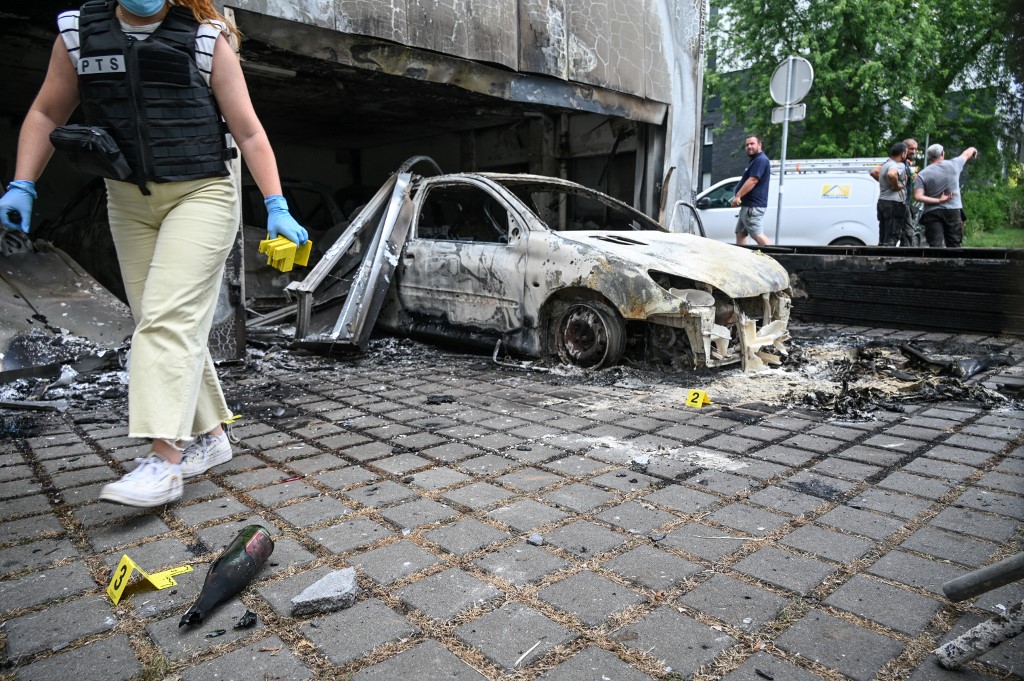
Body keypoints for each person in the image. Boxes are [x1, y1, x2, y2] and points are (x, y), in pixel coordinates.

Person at [0, 0, 309, 507]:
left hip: (203, 192)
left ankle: (164, 461)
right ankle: (211, 437)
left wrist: (275, 204)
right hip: (126, 198)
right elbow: (46, 111)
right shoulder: (78, 34)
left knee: (166, 318)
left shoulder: (207, 39)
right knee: (157, 319)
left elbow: (249, 130)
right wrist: (23, 184)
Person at [914, 143, 977, 247]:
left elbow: (917, 196)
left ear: (929, 157)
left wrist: (938, 201)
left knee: (935, 245)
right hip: (952, 210)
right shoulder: (954, 164)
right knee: (954, 244)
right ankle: (953, 263)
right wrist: (973, 149)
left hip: (931, 212)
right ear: (942, 153)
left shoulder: (922, 174)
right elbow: (967, 153)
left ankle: (935, 263)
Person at [872, 138, 921, 246]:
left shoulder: (906, 164)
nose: (913, 151)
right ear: (904, 151)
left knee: (898, 234)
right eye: (911, 149)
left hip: (901, 202)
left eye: (915, 149)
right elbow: (876, 172)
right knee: (895, 235)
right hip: (896, 203)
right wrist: (893, 185)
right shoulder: (896, 163)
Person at [729, 135, 772, 245]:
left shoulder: (761, 160)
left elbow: (753, 180)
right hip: (748, 206)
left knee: (757, 235)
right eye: (747, 145)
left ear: (759, 145)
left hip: (752, 207)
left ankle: (776, 257)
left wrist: (738, 196)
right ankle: (742, 259)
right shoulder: (755, 160)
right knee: (740, 233)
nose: (749, 146)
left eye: (752, 144)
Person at [875, 141, 909, 246]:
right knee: (892, 238)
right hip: (894, 204)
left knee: (883, 236)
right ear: (903, 154)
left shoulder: (885, 165)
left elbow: (873, 172)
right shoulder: (898, 165)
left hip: (882, 202)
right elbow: (891, 174)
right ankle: (888, 261)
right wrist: (895, 186)